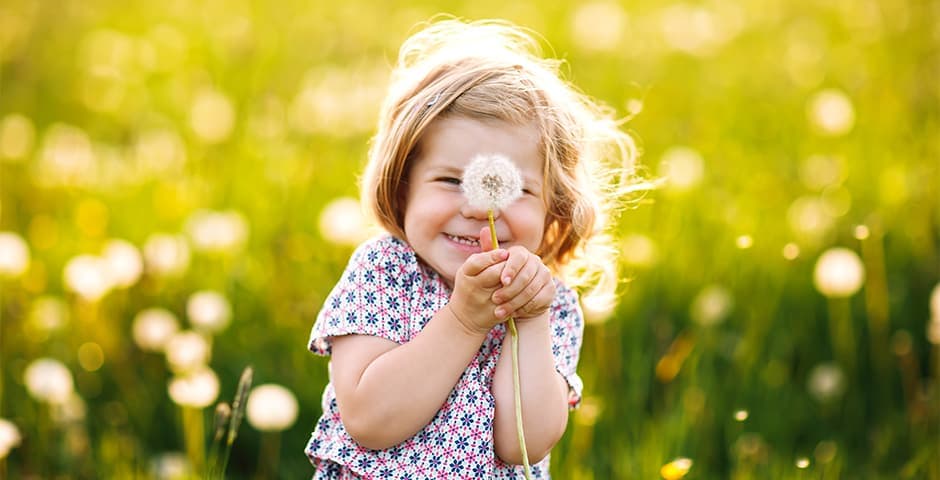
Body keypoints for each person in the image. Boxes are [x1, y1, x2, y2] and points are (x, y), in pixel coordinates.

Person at [305, 17, 639, 479]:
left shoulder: (548, 301)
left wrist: (529, 320)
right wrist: (464, 320)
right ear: (402, 188)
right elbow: (368, 420)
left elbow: (524, 442)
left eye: (514, 189)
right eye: (449, 181)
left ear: (553, 207)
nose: (479, 206)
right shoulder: (385, 272)